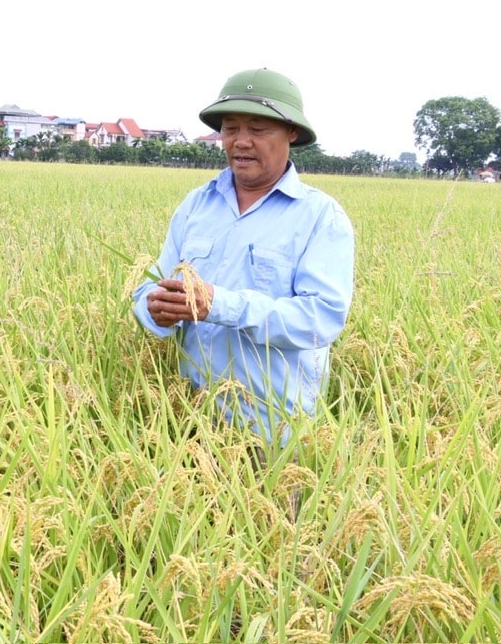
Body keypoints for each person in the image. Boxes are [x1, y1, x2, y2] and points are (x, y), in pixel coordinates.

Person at [132, 68, 354, 444]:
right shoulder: (197, 205)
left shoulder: (321, 217)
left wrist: (219, 305)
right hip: (189, 420)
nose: (241, 142)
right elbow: (151, 285)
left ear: (291, 133)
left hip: (274, 432)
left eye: (258, 129)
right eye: (231, 128)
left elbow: (321, 319)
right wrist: (154, 308)